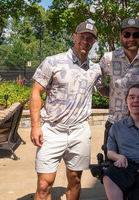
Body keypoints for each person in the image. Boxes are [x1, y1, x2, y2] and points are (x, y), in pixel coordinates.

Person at [30, 21, 101, 200]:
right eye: (82, 37)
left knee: (76, 180)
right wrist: (35, 126)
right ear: (74, 37)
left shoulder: (95, 69)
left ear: (93, 43)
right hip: (52, 131)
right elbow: (36, 93)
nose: (85, 41)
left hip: (79, 131)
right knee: (44, 185)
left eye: (90, 38)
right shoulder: (53, 62)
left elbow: (106, 91)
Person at [97, 17, 139, 148]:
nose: (131, 38)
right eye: (127, 34)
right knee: (113, 165)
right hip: (116, 123)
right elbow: (99, 83)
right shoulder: (109, 58)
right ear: (121, 36)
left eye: (135, 34)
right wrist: (114, 94)